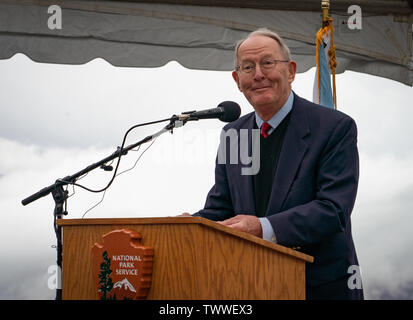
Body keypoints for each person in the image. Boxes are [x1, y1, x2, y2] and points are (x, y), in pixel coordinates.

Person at [187, 28, 363, 300]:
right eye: (248, 67)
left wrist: (263, 227)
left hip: (319, 288)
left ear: (291, 71)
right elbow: (222, 209)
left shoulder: (334, 128)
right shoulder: (235, 134)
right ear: (237, 79)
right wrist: (187, 227)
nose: (258, 74)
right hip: (250, 286)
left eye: (267, 63)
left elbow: (332, 210)